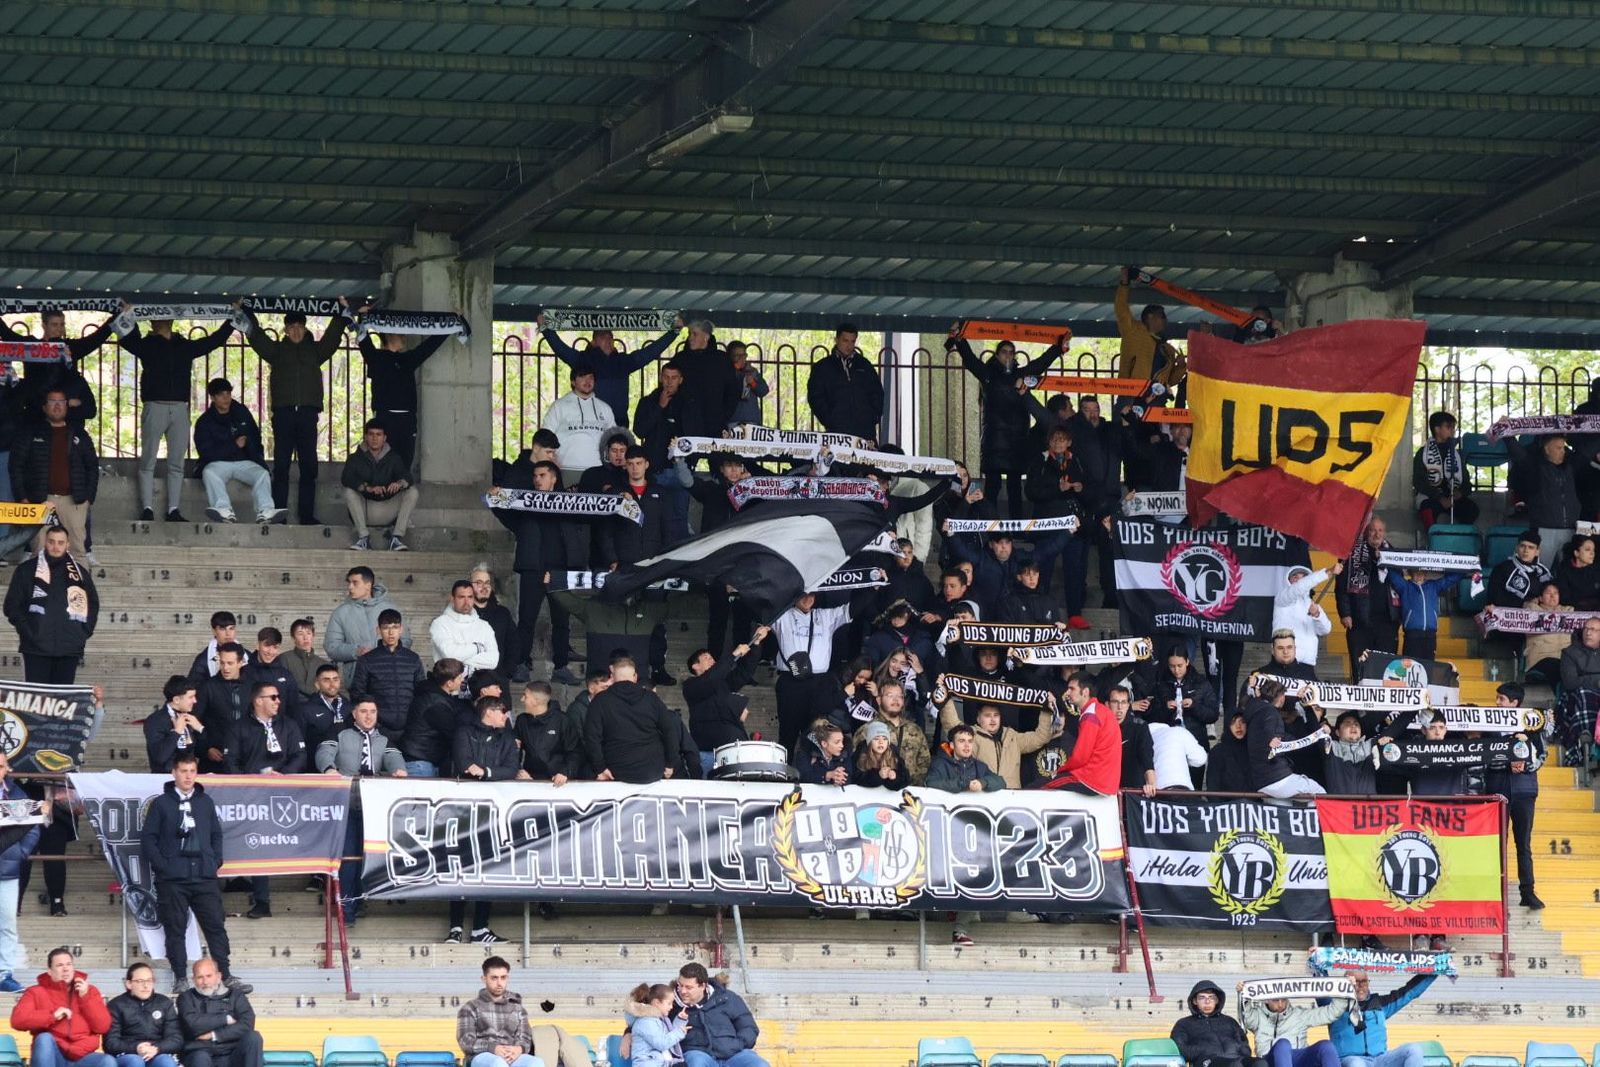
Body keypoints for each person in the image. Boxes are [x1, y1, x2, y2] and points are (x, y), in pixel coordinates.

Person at [241, 299, 351, 524]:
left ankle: (306, 515)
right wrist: (246, 311)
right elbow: (257, 337)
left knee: (309, 466)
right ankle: (279, 514)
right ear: (286, 330)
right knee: (281, 466)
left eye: (300, 326)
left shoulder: (315, 351)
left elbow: (332, 337)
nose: (296, 331)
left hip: (308, 414)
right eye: (291, 327)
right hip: (284, 414)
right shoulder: (277, 351)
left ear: (305, 328)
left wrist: (341, 313)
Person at [138, 755, 239, 995]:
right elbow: (148, 838)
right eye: (183, 771)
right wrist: (163, 866)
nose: (188, 776)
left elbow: (216, 834)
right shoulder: (161, 803)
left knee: (215, 926)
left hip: (204, 875)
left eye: (192, 771)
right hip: (173, 878)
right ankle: (180, 977)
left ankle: (225, 974)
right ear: (174, 772)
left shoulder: (205, 802)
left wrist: (215, 860)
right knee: (175, 929)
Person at [120, 315, 235, 521]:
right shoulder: (147, 345)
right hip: (154, 405)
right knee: (148, 459)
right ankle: (147, 508)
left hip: (180, 408)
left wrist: (232, 320)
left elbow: (213, 341)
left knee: (176, 462)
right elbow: (125, 338)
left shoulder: (184, 346)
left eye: (157, 318)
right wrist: (127, 316)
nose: (154, 321)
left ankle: (173, 509)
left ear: (169, 320)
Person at [946, 324, 1066, 517]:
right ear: (997, 355)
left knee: (1014, 488)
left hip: (1017, 441)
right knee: (992, 487)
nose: (1008, 356)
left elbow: (1041, 363)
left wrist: (1058, 348)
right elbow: (970, 360)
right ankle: (990, 524)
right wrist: (959, 340)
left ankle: (1015, 527)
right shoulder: (987, 374)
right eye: (1004, 352)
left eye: (1011, 352)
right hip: (995, 440)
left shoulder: (1022, 375)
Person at [316, 698, 407, 926]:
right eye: (364, 711)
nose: (368, 716)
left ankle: (358, 902)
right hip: (345, 803)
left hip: (372, 806)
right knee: (348, 858)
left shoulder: (383, 737)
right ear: (354, 713)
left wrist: (399, 769)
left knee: (367, 857)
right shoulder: (340, 731)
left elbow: (393, 756)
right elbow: (324, 751)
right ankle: (346, 909)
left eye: (373, 711)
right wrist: (328, 768)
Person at [493, 459, 584, 684]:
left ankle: (561, 667)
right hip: (533, 569)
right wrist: (495, 500)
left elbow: (590, 514)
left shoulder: (568, 503)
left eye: (542, 475)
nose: (537, 480)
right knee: (527, 619)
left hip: (560, 571)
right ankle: (522, 664)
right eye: (535, 476)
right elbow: (506, 515)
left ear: (553, 478)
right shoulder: (526, 504)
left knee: (562, 621)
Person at [225, 682, 306, 919]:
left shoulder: (288, 725)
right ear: (258, 700)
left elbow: (300, 754)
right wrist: (248, 782)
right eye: (273, 697)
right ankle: (261, 901)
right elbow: (231, 762)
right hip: (251, 796)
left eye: (278, 696)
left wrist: (284, 775)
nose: (278, 701)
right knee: (258, 843)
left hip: (283, 795)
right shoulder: (239, 727)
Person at [538, 313, 681, 418]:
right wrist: (545, 330)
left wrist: (673, 333)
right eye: (602, 337)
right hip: (591, 424)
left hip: (618, 425)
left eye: (610, 337)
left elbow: (649, 352)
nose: (608, 340)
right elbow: (561, 349)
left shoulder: (623, 362)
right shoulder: (583, 360)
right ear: (593, 342)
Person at [4, 524, 97, 683]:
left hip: (69, 649)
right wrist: (29, 631)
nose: (56, 546)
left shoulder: (80, 574)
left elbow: (93, 605)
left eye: (60, 542)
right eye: (51, 541)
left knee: (63, 697)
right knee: (37, 698)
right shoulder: (26, 570)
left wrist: (81, 633)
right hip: (35, 649)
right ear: (45, 542)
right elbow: (12, 606)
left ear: (68, 544)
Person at [11, 389, 98, 557]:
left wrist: (88, 498)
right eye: (52, 402)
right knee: (39, 551)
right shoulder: (31, 433)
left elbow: (92, 467)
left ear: (67, 406)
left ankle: (78, 577)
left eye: (61, 402)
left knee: (77, 551)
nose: (57, 406)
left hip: (74, 501)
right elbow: (16, 466)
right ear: (44, 407)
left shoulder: (79, 434)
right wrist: (23, 498)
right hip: (40, 500)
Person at [189, 378, 283, 525]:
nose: (226, 398)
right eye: (221, 394)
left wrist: (255, 454)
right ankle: (223, 509)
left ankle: (265, 511)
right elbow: (206, 452)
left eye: (228, 393)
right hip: (218, 463)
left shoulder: (241, 412)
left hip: (243, 461)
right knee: (209, 472)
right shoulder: (205, 421)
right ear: (212, 398)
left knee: (262, 474)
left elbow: (255, 436)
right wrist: (234, 446)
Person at [1485, 681, 1544, 909]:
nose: (1497, 703)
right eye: (1497, 698)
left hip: (1524, 791)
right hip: (1497, 790)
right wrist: (1506, 762)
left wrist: (1525, 764)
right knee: (1496, 843)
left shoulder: (1531, 726)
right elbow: (1482, 755)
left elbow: (1541, 756)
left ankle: (1527, 892)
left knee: (1523, 844)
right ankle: (1494, 892)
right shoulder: (1488, 724)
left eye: (1501, 699)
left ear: (1514, 703)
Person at [770, 592, 853, 754]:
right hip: (791, 682)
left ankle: (811, 767)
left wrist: (873, 587)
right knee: (787, 733)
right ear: (795, 596)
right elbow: (760, 605)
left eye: (812, 595)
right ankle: (784, 768)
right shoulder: (782, 616)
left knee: (815, 734)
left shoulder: (825, 616)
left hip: (818, 683)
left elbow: (852, 609)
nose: (808, 599)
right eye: (804, 595)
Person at [357, 327, 448, 471]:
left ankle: (401, 484)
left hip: (407, 420)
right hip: (385, 419)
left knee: (405, 464)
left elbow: (428, 347)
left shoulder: (407, 359)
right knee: (383, 464)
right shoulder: (376, 358)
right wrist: (360, 320)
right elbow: (363, 337)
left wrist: (449, 327)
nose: (404, 337)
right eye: (400, 334)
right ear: (389, 334)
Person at [9, 947, 113, 1067]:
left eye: (69, 964)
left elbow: (102, 1027)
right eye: (59, 965)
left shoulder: (90, 991)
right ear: (49, 971)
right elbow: (17, 1020)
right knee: (44, 1038)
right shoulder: (35, 992)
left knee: (107, 1061)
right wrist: (52, 1016)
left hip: (82, 1055)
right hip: (53, 1054)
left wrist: (85, 998)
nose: (65, 969)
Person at [582, 657, 681, 784]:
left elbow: (591, 737)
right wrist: (670, 763)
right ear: (635, 677)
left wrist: (600, 768)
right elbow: (670, 731)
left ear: (612, 677)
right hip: (652, 770)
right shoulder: (651, 698)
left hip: (616, 771)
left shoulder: (600, 701)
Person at [683, 630, 767, 770]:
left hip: (734, 749)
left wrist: (756, 645)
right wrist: (733, 655)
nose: (712, 660)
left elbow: (744, 672)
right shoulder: (691, 685)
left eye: (712, 658)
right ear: (695, 666)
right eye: (706, 658)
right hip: (708, 753)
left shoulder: (723, 684)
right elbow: (710, 678)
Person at [1328, 970, 1439, 1067]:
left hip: (1380, 1060)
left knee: (1414, 1049)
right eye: (1355, 982)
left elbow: (1409, 993)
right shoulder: (1334, 1006)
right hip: (1351, 1060)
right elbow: (1321, 987)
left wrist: (1436, 969)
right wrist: (1319, 966)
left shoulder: (1380, 1004)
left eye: (1364, 981)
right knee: (1357, 1064)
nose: (1360, 985)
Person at [937, 699, 1053, 789]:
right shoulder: (972, 735)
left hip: (1012, 799)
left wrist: (1046, 711)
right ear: (978, 719)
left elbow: (1041, 737)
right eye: (987, 715)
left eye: (996, 715)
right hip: (982, 797)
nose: (993, 719)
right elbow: (951, 724)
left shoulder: (1014, 737)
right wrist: (945, 698)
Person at [341, 419, 418, 551]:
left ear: (384, 438)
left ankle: (396, 539)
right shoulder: (355, 458)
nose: (374, 438)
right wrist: (367, 488)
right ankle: (363, 538)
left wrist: (399, 484)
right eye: (371, 434)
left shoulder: (394, 458)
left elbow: (408, 476)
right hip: (365, 510)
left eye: (378, 434)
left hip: (387, 509)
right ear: (365, 437)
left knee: (412, 492)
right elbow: (346, 478)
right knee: (349, 491)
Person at [351, 609, 426, 742]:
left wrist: (417, 722)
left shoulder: (413, 658)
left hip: (410, 728)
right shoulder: (367, 660)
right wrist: (372, 721)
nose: (391, 633)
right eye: (386, 628)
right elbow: (357, 694)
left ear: (401, 630)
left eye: (395, 627)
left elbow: (422, 694)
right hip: (378, 728)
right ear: (378, 630)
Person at [326, 566, 410, 684]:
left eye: (355, 582)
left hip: (391, 676)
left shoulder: (391, 609)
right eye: (349, 582)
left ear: (368, 585)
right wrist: (356, 651)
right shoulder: (340, 613)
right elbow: (331, 647)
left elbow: (405, 640)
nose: (350, 587)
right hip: (358, 679)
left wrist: (387, 653)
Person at [0, 751, 41, 993]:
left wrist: (21, 851)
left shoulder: (15, 793)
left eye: (1, 766)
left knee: (7, 924)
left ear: (7, 768)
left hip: (7, 870)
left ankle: (4, 974)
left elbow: (33, 825)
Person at [1042, 671, 1121, 794]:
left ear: (1085, 692)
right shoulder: (1101, 711)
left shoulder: (1091, 714)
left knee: (1040, 787)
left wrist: (1059, 771)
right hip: (1107, 783)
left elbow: (1080, 758)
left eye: (1072, 689)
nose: (1067, 693)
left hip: (1091, 779)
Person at [1337, 518, 1397, 677]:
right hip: (1360, 621)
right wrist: (1345, 613)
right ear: (1366, 532)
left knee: (1386, 670)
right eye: (1372, 530)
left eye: (1380, 530)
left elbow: (1400, 586)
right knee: (1360, 669)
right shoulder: (1352, 554)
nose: (1377, 534)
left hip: (1387, 623)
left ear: (1385, 533)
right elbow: (1341, 587)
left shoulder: (1394, 553)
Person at [675, 962, 767, 1067]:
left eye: (688, 987)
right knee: (696, 1063)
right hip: (698, 1055)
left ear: (702, 986)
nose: (682, 991)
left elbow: (748, 1027)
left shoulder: (726, 998)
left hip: (734, 1054)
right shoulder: (671, 1005)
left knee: (760, 1065)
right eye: (680, 985)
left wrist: (736, 1045)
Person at [1239, 982, 1352, 1067]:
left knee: (1325, 1046)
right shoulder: (1258, 1016)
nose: (1280, 1004)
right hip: (1269, 1059)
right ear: (1266, 1000)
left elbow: (1331, 1013)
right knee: (1283, 1044)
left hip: (1297, 1058)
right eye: (1276, 1000)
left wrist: (1344, 989)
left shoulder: (1299, 1015)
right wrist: (1244, 995)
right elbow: (1246, 1017)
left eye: (1284, 999)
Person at [1245, 679, 1326, 798]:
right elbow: (1275, 737)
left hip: (1261, 782)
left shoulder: (1255, 714)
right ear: (1281, 697)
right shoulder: (1271, 712)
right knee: (1319, 792)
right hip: (1277, 777)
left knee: (1285, 809)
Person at [175, 958, 261, 1067]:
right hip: (200, 1052)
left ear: (219, 976)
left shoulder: (236, 995)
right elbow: (192, 1025)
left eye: (209, 976)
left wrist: (215, 1035)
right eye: (200, 977)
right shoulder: (186, 997)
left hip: (233, 1053)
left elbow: (247, 1025)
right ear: (193, 979)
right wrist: (226, 1019)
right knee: (200, 1057)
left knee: (253, 1037)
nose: (205, 982)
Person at [806, 323, 883, 442]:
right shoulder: (823, 367)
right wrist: (830, 419)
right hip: (837, 432)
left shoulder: (864, 365)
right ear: (836, 340)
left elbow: (877, 392)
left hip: (865, 432)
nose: (849, 345)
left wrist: (872, 417)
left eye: (852, 341)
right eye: (845, 341)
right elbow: (815, 397)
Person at [456, 957, 538, 1067]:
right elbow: (465, 1042)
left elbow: (525, 1039)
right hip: (481, 1056)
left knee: (535, 1062)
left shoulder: (518, 1009)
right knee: (497, 1063)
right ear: (484, 979)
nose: (499, 983)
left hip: (511, 1055)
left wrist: (519, 1049)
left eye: (503, 977)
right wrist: (493, 1048)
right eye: (494, 978)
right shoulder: (470, 1008)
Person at [1115, 267, 1184, 392]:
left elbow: (1170, 382)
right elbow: (1121, 309)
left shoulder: (1168, 349)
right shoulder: (1133, 331)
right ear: (1150, 317)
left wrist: (1181, 367)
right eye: (1162, 316)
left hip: (1156, 398)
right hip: (1132, 393)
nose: (1165, 320)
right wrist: (1124, 284)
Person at [543, 364, 617, 475]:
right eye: (582, 377)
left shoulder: (605, 408)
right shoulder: (559, 406)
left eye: (591, 377)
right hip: (566, 469)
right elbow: (545, 437)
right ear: (573, 382)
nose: (587, 381)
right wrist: (550, 463)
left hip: (599, 471)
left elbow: (614, 440)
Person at [105, 961, 183, 1067]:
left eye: (149, 980)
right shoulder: (116, 1005)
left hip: (157, 1052)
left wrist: (156, 1048)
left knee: (166, 1062)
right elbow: (110, 1042)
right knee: (135, 1061)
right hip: (127, 1054)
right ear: (129, 984)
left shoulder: (164, 1003)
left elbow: (176, 1039)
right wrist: (136, 1047)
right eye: (140, 981)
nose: (146, 985)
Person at [401, 658, 466, 778]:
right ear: (449, 683)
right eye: (459, 677)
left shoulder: (431, 695)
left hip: (422, 761)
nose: (462, 680)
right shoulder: (436, 703)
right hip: (420, 763)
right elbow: (452, 732)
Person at [1171, 980, 1260, 1067]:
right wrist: (1204, 1050)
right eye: (1202, 997)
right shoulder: (1183, 1024)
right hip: (1207, 1061)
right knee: (1235, 1065)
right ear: (1195, 1001)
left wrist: (1239, 1050)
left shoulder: (1230, 1021)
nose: (1207, 1001)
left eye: (1211, 997)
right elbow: (1179, 1049)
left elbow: (1244, 1044)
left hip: (1236, 1058)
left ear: (1217, 1000)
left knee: (1260, 1063)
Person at [1412, 411, 1477, 529]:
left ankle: (1461, 537)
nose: (1452, 431)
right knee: (1428, 508)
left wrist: (1460, 493)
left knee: (1471, 509)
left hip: (1453, 495)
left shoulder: (1456, 454)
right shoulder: (1423, 453)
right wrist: (1439, 497)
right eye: (1448, 427)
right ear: (1437, 429)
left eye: (1453, 428)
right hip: (1431, 495)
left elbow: (1466, 482)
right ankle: (1433, 536)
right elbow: (1419, 481)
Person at [194, 644, 249, 772]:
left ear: (240, 663)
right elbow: (195, 721)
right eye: (222, 663)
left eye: (230, 663)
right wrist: (206, 748)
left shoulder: (253, 686)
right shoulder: (207, 687)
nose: (225, 668)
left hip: (245, 758)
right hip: (215, 758)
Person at [1272, 563, 1339, 668]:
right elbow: (1298, 588)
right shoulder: (1282, 597)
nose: (1299, 580)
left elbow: (1326, 630)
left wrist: (1316, 615)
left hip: (1308, 662)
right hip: (1286, 661)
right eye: (1295, 577)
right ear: (1288, 580)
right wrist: (1327, 573)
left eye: (1303, 577)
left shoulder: (1312, 604)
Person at [512, 683, 579, 783]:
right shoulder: (522, 720)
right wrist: (519, 770)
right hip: (528, 779)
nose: (522, 699)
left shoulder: (562, 720)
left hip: (557, 782)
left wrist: (565, 772)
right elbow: (514, 750)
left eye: (525, 696)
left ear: (536, 701)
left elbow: (575, 751)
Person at [430, 580, 499, 677]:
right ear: (452, 599)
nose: (466, 602)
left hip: (479, 683)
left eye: (470, 597)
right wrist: (478, 648)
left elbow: (493, 660)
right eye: (461, 597)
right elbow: (450, 655)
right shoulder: (440, 623)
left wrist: (460, 659)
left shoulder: (484, 626)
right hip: (447, 683)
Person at [1385, 567, 1455, 662]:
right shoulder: (1405, 586)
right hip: (1412, 636)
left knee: (1428, 667)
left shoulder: (1434, 586)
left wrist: (1471, 567)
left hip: (1430, 636)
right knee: (1410, 667)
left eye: (1422, 571)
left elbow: (1451, 579)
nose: (1419, 574)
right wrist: (1382, 561)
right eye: (1415, 571)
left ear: (1425, 572)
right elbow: (1392, 574)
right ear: (1410, 572)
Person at [145, 676, 205, 774]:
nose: (195, 701)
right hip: (165, 778)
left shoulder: (190, 717)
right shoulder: (155, 720)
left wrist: (200, 728)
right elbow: (160, 757)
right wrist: (176, 732)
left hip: (189, 777)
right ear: (176, 700)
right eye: (190, 697)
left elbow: (199, 751)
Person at [469, 566, 519, 677]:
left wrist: (507, 672)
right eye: (479, 583)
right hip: (468, 679)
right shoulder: (461, 614)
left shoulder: (503, 613)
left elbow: (513, 644)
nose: (484, 587)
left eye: (487, 583)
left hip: (497, 678)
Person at [626, 982, 688, 1067]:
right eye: (669, 1003)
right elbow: (661, 1044)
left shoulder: (658, 1020)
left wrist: (680, 1020)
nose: (671, 1007)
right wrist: (680, 1032)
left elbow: (669, 1036)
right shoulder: (646, 1022)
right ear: (657, 1003)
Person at [1520, 581, 1571, 683]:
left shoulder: (1568, 611)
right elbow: (1528, 609)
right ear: (1540, 598)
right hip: (1540, 660)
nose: (1552, 596)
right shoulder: (1532, 610)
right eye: (1548, 593)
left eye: (1556, 593)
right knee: (1555, 666)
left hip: (1564, 660)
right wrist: (1533, 603)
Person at [1487, 530, 1553, 609]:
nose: (1526, 551)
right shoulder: (1502, 569)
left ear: (1537, 552)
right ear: (1517, 548)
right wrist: (1524, 603)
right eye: (1522, 546)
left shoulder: (1543, 573)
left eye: (1531, 547)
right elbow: (1495, 597)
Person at [298, 664, 350, 753]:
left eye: (335, 680)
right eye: (326, 680)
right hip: (317, 759)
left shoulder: (348, 706)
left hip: (345, 759)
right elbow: (299, 742)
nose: (332, 684)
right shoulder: (305, 710)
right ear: (317, 684)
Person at [794, 720, 851, 785]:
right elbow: (803, 776)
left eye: (842, 741)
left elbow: (849, 776)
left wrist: (840, 779)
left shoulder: (844, 754)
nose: (842, 745)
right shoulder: (806, 752)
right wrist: (827, 776)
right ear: (824, 744)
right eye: (837, 742)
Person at [727, 342, 768, 427]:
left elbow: (763, 391)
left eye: (743, 355)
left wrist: (753, 383)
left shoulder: (752, 371)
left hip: (751, 420)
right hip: (732, 420)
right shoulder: (726, 371)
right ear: (730, 356)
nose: (741, 358)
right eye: (737, 356)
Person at [1555, 534, 1600, 611]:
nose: (1592, 553)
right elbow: (1565, 599)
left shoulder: (1597, 570)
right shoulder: (1564, 571)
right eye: (1587, 550)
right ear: (1576, 553)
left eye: (1593, 550)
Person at [280, 619, 321, 698]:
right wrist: (314, 690)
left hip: (317, 704)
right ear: (293, 638)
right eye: (300, 634)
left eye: (308, 633)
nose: (305, 637)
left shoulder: (322, 663)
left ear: (313, 636)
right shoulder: (284, 658)